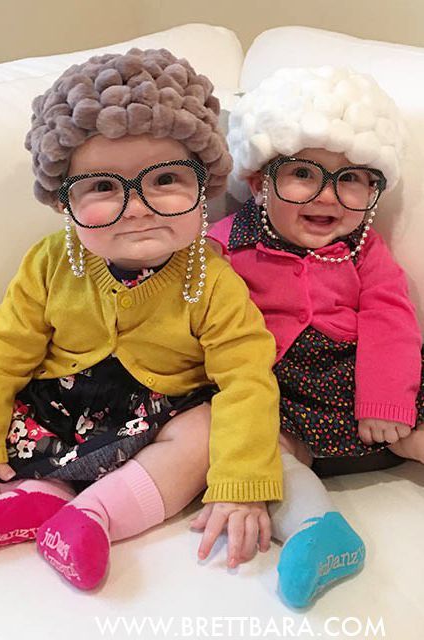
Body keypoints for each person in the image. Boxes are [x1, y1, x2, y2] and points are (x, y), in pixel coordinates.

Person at [0, 48, 282, 591]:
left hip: (157, 421)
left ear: (206, 187)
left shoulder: (214, 279)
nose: (138, 205)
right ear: (64, 202)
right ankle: (37, 501)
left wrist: (241, 481)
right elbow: (4, 352)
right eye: (103, 186)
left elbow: (246, 378)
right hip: (56, 411)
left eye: (165, 179)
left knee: (204, 431)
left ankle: (96, 516)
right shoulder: (49, 263)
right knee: (17, 418)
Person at [209, 66, 424, 608]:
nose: (329, 196)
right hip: (280, 393)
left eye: (353, 178)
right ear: (259, 181)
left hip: (366, 388)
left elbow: (390, 317)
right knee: (265, 452)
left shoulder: (364, 249)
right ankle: (319, 531)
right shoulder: (223, 245)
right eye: (304, 173)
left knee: (413, 428)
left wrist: (385, 400)